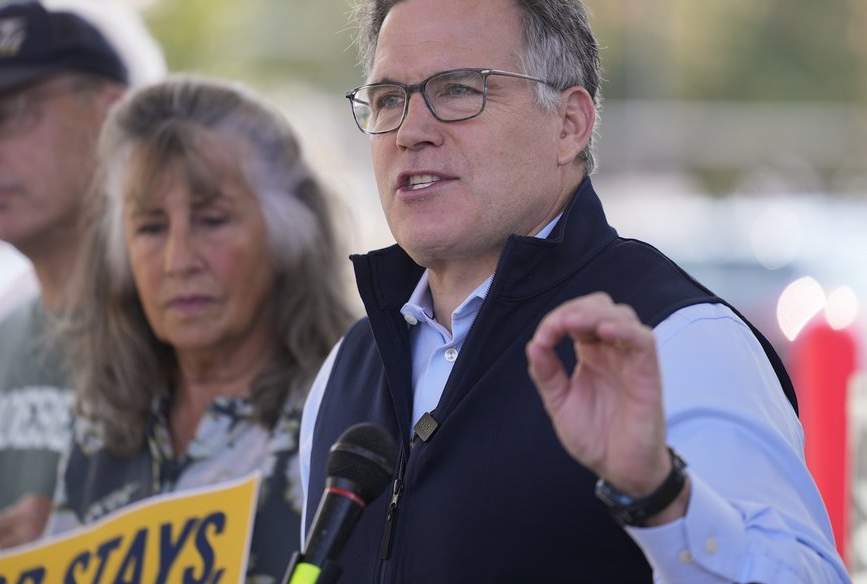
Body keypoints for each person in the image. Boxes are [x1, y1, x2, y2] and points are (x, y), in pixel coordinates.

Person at [298, 0, 851, 582]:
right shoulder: (346, 366)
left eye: (458, 90)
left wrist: (660, 496)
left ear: (570, 125)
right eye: (388, 99)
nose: (410, 132)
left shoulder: (678, 339)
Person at [45, 74, 354, 583]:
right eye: (150, 227)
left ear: (287, 235)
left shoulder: (343, 416)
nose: (178, 260)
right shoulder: (104, 422)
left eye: (212, 220)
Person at [0, 0, 164, 553]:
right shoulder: (0, 338)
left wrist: (80, 541)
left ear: (112, 115)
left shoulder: (182, 313)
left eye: (4, 113)